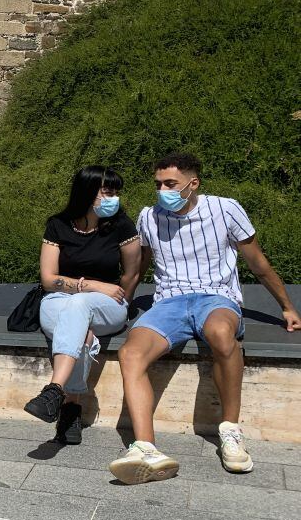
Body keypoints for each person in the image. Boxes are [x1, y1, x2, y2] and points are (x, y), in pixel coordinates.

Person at [109, 152, 301, 485]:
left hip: (216, 298)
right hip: (169, 301)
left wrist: (286, 306)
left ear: (192, 183)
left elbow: (258, 264)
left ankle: (230, 430)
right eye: (158, 184)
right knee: (130, 353)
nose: (162, 190)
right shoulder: (148, 217)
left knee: (221, 334)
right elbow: (140, 266)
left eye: (171, 183)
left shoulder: (225, 209)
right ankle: (146, 449)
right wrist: (122, 300)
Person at [23, 166, 141, 445]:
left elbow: (132, 273)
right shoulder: (58, 225)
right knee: (82, 334)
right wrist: (93, 285)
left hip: (108, 304)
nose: (114, 198)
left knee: (80, 305)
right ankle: (71, 407)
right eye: (107, 192)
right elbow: (49, 279)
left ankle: (55, 389)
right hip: (59, 300)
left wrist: (122, 297)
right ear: (87, 192)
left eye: (116, 192)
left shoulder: (122, 225)